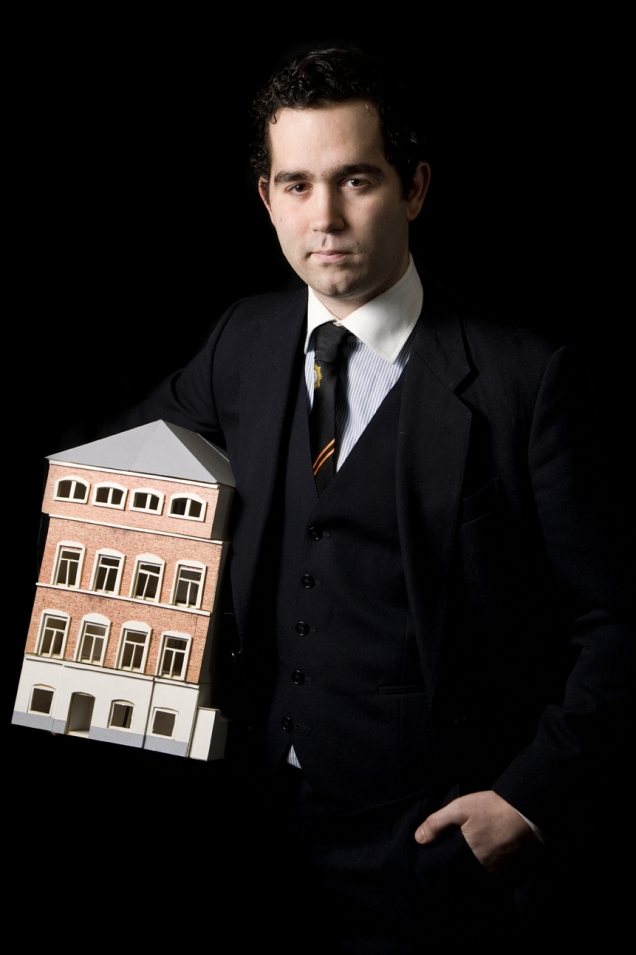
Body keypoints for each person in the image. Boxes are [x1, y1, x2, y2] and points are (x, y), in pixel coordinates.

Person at [125, 48, 630, 951]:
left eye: (356, 180)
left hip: (436, 852)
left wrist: (527, 801)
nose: (324, 217)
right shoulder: (243, 340)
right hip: (257, 839)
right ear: (267, 199)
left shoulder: (525, 379)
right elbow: (127, 469)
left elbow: (619, 622)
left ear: (415, 188)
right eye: (297, 185)